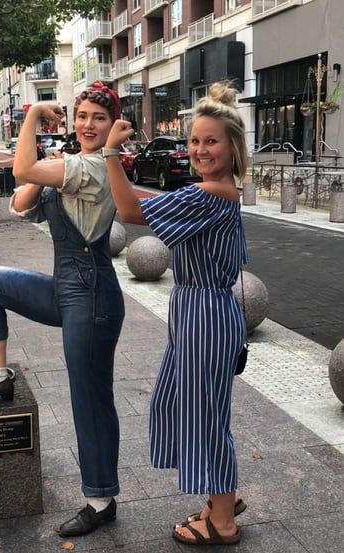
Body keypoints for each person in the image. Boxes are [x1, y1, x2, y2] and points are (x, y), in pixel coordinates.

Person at [0, 81, 125, 537]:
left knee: (90, 399)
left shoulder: (93, 168)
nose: (89, 124)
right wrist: (37, 170)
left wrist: (30, 118)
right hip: (64, 289)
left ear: (112, 126)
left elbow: (24, 167)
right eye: (83, 115)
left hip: (93, 295)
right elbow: (19, 200)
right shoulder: (67, 165)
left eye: (99, 118)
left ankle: (100, 498)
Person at [102, 81, 248, 546]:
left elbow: (128, 209)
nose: (200, 149)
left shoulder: (211, 194)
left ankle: (222, 518)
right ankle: (222, 498)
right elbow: (146, 206)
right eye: (195, 140)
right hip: (199, 311)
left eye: (211, 141)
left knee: (205, 417)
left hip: (205, 314)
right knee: (189, 406)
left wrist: (111, 153)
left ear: (232, 147)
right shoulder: (212, 190)